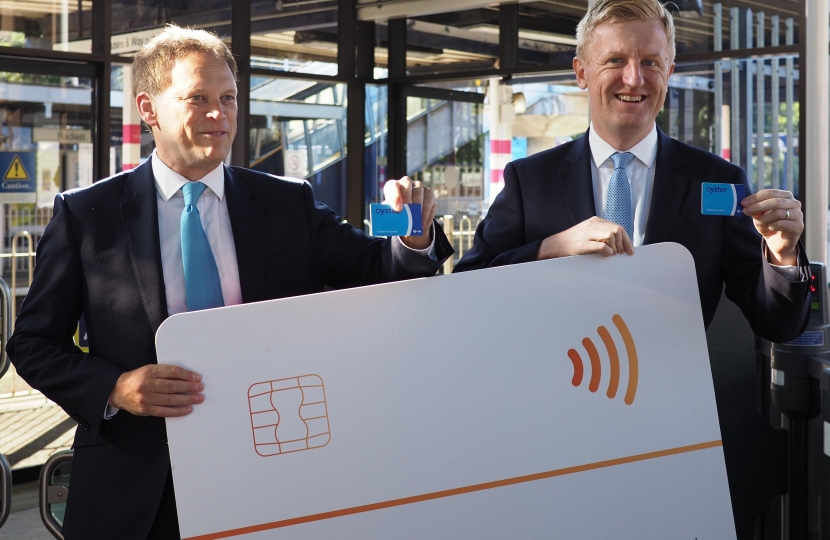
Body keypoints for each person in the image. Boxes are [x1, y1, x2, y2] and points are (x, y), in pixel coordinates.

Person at [7, 25, 452, 540]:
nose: (219, 115)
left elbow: (380, 270)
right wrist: (114, 386)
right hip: (139, 487)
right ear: (148, 108)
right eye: (198, 99)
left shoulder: (289, 204)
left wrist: (414, 237)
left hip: (277, 469)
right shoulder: (87, 215)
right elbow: (34, 343)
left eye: (229, 98)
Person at [454, 0, 809, 342]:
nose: (635, 78)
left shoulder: (717, 179)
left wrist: (783, 255)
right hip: (550, 396)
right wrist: (551, 248)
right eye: (615, 60)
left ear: (668, 73)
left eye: (651, 62)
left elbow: (777, 325)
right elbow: (466, 290)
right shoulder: (530, 180)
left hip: (671, 396)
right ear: (582, 73)